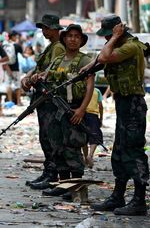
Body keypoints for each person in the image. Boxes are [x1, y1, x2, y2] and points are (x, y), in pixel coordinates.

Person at [82, 15, 149, 216]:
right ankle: (118, 195)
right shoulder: (117, 45)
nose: (105, 40)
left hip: (133, 104)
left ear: (117, 31)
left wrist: (113, 38)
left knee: (134, 151)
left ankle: (139, 200)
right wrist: (89, 65)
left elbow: (104, 57)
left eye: (107, 35)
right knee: (119, 151)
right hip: (123, 103)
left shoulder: (131, 46)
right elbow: (99, 61)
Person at [35, 24, 94, 198]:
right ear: (64, 39)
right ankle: (62, 184)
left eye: (77, 36)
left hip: (73, 108)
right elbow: (45, 76)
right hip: (55, 110)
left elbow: (90, 86)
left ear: (81, 40)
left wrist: (82, 109)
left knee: (72, 148)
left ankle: (74, 187)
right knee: (57, 147)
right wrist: (35, 77)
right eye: (70, 36)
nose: (73, 39)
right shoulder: (58, 59)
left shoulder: (85, 60)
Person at [20, 14, 65, 190]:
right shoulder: (50, 47)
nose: (44, 31)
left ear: (55, 29)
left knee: (50, 137)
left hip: (50, 99)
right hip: (42, 98)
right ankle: (48, 171)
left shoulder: (58, 48)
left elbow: (49, 71)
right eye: (43, 28)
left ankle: (53, 174)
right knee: (44, 136)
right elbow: (38, 68)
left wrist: (33, 78)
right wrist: (28, 77)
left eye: (46, 28)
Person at [82, 88, 104, 168]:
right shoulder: (97, 91)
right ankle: (90, 155)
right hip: (93, 116)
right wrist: (101, 118)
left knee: (84, 136)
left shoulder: (82, 89)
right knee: (94, 136)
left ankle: (85, 157)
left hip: (82, 114)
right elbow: (101, 106)